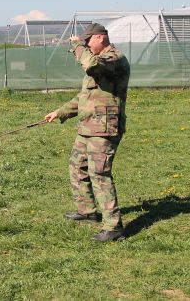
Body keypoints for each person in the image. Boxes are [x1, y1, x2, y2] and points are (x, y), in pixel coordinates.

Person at [44, 23, 130, 243]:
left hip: (104, 128)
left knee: (100, 173)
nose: (87, 45)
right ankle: (87, 211)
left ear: (100, 37)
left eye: (88, 40)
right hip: (88, 126)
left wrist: (77, 45)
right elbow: (84, 97)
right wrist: (60, 112)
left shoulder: (114, 59)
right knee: (77, 166)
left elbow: (90, 65)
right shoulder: (98, 61)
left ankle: (113, 227)